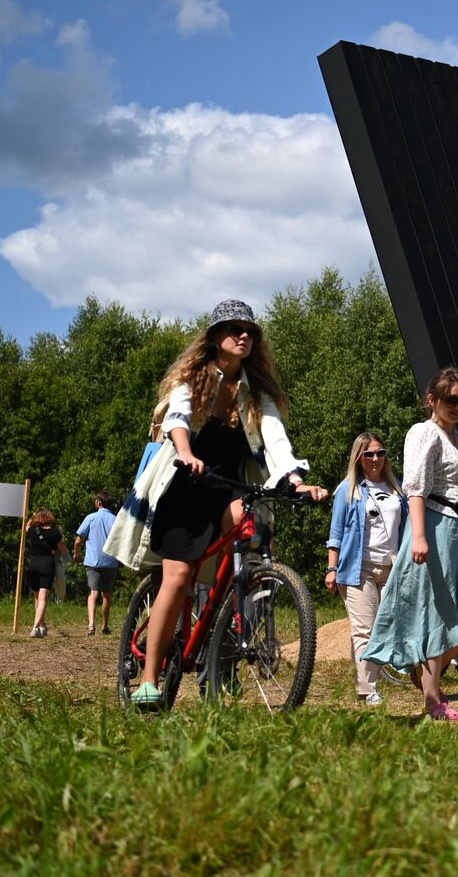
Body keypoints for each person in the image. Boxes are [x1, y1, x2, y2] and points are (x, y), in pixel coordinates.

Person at [104, 299, 327, 710]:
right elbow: (177, 419)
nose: (244, 335)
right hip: (184, 485)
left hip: (226, 485)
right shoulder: (194, 379)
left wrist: (296, 480)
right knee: (178, 576)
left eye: (250, 331)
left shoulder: (257, 394)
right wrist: (186, 453)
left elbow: (276, 440)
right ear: (214, 337)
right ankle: (150, 679)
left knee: (251, 520)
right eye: (234, 328)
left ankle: (229, 601)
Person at [361, 367, 458, 720]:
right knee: (438, 613)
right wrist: (418, 535)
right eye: (451, 399)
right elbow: (415, 487)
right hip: (433, 527)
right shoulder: (424, 432)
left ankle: (426, 670)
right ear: (432, 399)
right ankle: (433, 700)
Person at [326, 432, 407, 708]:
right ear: (359, 458)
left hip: (392, 568)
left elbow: (406, 530)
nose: (375, 459)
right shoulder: (348, 490)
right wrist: (331, 568)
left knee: (384, 629)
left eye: (380, 453)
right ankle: (367, 689)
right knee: (365, 630)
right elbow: (335, 534)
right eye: (369, 454)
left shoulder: (398, 490)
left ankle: (363, 680)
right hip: (358, 568)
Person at [74, 491, 121, 636]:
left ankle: (91, 625)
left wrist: (77, 554)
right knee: (106, 595)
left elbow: (78, 540)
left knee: (93, 593)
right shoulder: (115, 519)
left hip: (93, 561)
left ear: (99, 502)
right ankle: (105, 626)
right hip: (110, 562)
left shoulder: (91, 518)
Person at [24, 508, 68, 638]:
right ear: (50, 518)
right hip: (46, 565)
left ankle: (41, 626)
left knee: (37, 597)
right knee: (43, 598)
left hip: (33, 565)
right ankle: (35, 627)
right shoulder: (55, 533)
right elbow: (64, 551)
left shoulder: (33, 531)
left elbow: (27, 526)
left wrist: (33, 516)